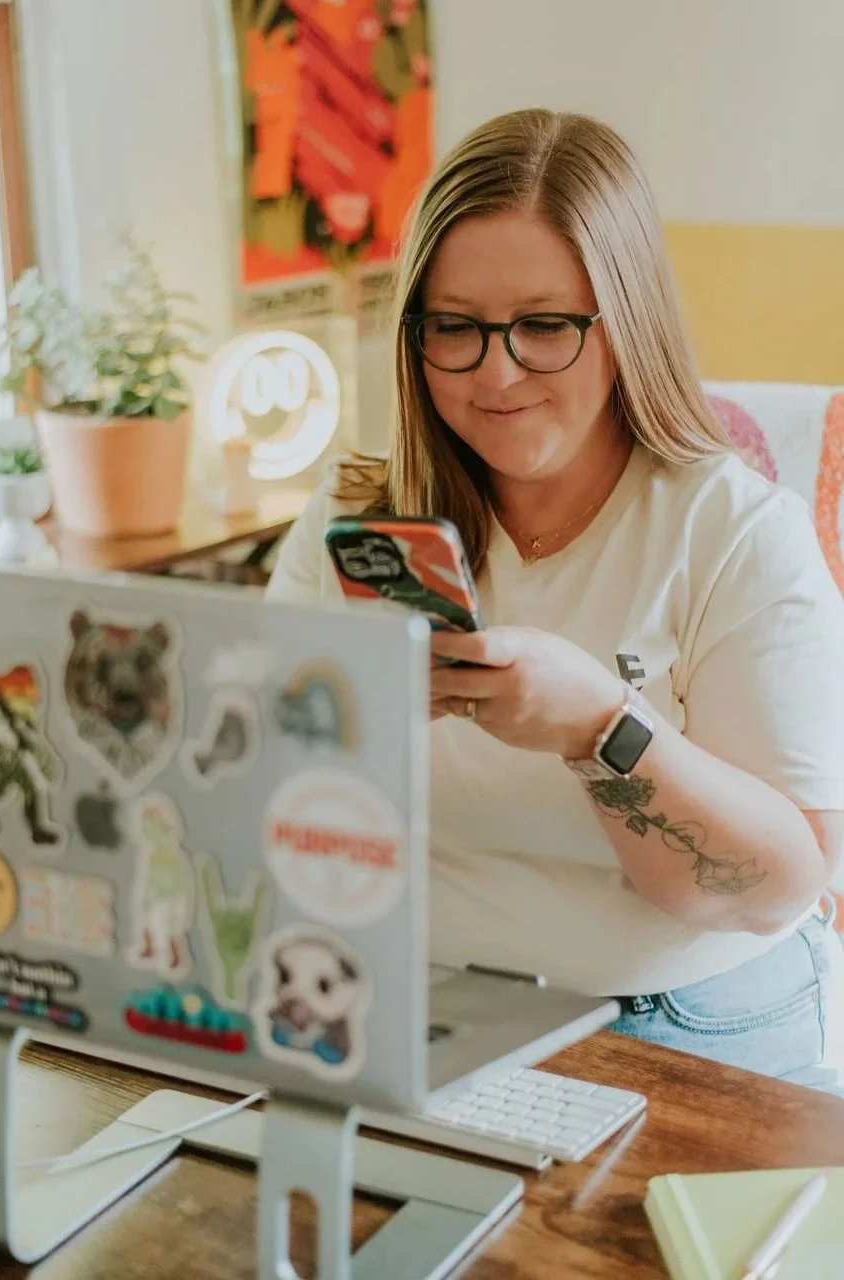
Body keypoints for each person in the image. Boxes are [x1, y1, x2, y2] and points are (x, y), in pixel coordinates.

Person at [265, 108, 844, 1093]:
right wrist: (344, 722)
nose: (496, 371)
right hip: (422, 994)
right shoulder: (355, 516)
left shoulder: (736, 534)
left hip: (684, 1012)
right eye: (455, 326)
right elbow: (265, 798)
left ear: (624, 324)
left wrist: (598, 726)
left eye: (544, 326)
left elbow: (777, 886)